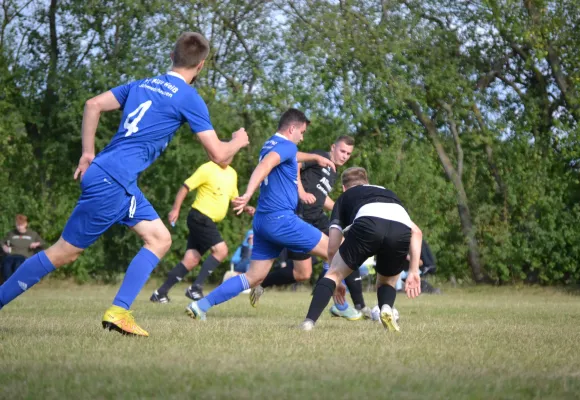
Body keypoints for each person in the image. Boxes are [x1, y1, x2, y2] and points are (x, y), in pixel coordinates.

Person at [0, 32, 249, 337]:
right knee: (62, 252)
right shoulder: (188, 97)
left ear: (171, 57)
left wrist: (87, 153)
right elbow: (218, 153)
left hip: (112, 176)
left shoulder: (141, 84)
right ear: (201, 66)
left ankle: (119, 311)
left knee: (159, 238)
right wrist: (238, 141)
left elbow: (93, 105)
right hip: (113, 182)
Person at [185, 108, 336, 321]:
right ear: (292, 128)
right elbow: (265, 166)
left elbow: (287, 156)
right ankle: (342, 305)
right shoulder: (285, 146)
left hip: (263, 221)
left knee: (254, 277)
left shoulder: (271, 144)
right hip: (282, 220)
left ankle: (201, 305)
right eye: (301, 132)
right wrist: (247, 193)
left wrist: (314, 158)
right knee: (337, 253)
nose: (302, 137)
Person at [249, 136, 368, 320]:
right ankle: (262, 283)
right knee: (305, 271)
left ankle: (357, 305)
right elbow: (295, 162)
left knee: (338, 252)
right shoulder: (319, 156)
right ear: (333, 147)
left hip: (317, 217)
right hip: (299, 217)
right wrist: (301, 192)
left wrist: (342, 208)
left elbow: (321, 198)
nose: (344, 156)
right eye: (342, 151)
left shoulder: (333, 171)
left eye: (348, 154)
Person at [300, 167, 422, 332]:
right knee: (386, 281)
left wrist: (335, 276)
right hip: (400, 228)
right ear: (367, 183)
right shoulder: (388, 193)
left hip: (369, 222)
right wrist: (414, 270)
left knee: (333, 275)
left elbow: (332, 245)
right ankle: (386, 308)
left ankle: (308, 323)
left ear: (344, 187)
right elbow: (417, 232)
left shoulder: (345, 197)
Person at [150, 160, 255, 303]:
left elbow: (234, 200)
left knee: (191, 260)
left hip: (206, 220)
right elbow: (185, 187)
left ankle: (160, 293)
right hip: (200, 216)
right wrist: (175, 209)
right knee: (221, 250)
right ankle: (196, 288)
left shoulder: (232, 173)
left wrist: (245, 207)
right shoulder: (207, 168)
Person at [2, 215, 45, 281]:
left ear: (25, 224)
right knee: (6, 262)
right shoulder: (11, 234)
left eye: (21, 225)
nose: (19, 227)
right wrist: (4, 246)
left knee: (18, 262)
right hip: (12, 254)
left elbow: (42, 243)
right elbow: (2, 242)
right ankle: (7, 283)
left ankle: (17, 282)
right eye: (17, 225)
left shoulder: (32, 234)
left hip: (24, 256)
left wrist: (36, 244)